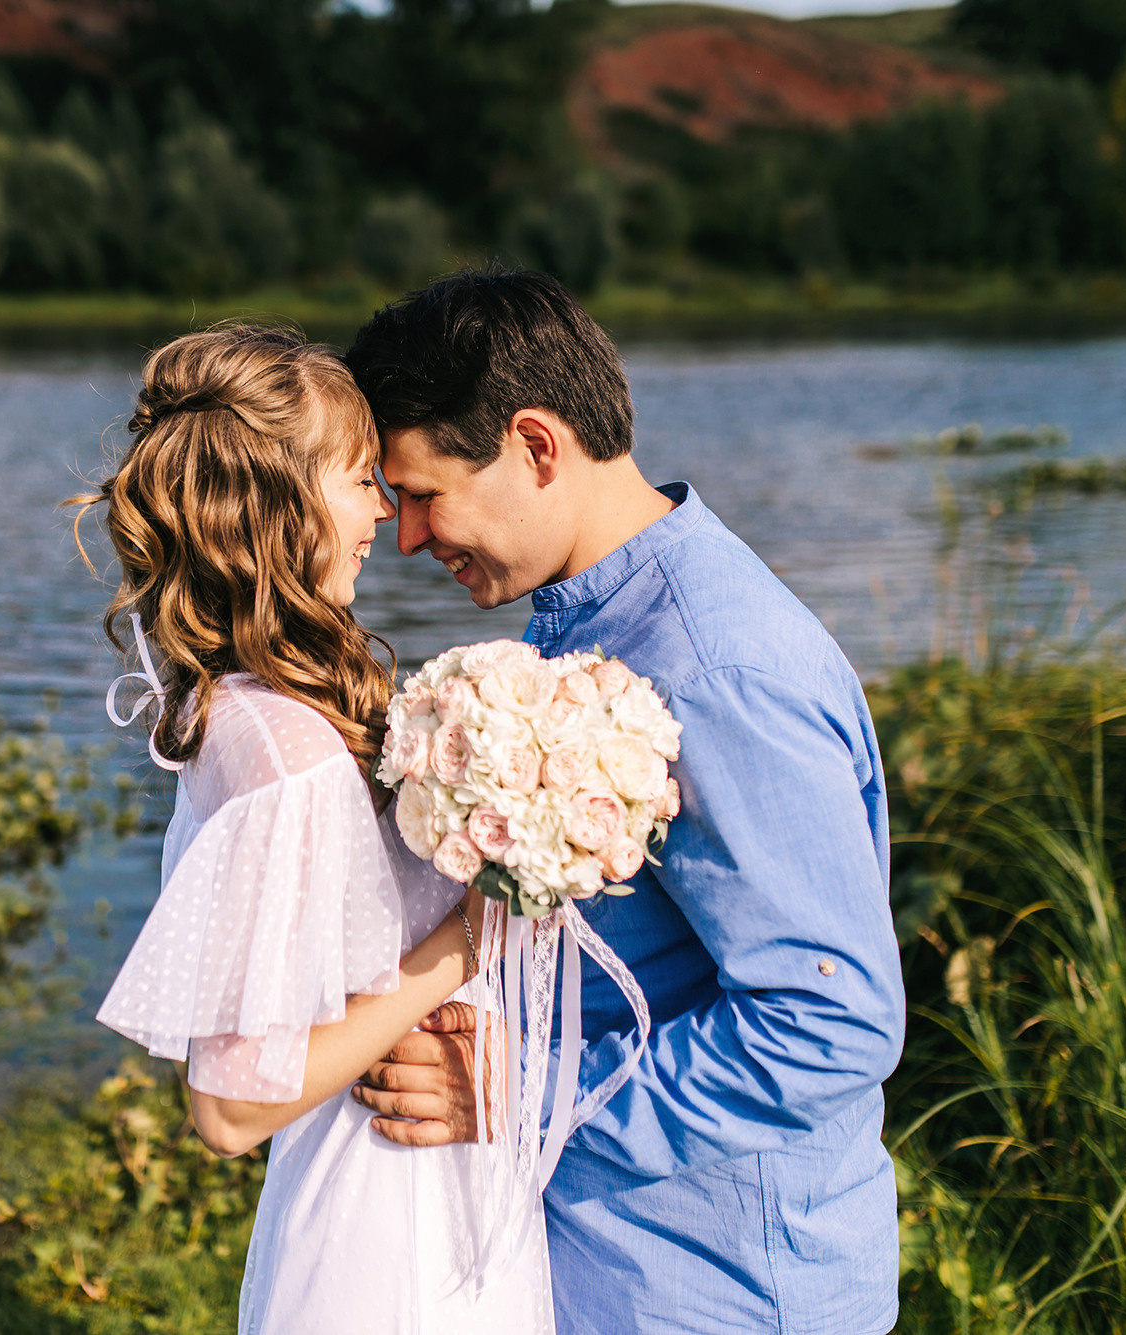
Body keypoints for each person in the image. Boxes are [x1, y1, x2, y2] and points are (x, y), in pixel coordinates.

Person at [343, 268, 907, 1335]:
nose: (407, 537)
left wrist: (519, 1096)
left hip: (719, 1286)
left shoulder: (713, 673)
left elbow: (826, 1024)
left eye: (421, 492)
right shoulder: (589, 620)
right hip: (616, 1260)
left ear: (534, 445)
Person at [76, 326, 554, 1334]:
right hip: (388, 1238)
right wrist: (469, 934)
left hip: (413, 1190)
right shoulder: (286, 750)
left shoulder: (250, 706)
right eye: (354, 478)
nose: (383, 509)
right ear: (275, 509)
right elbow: (231, 1109)